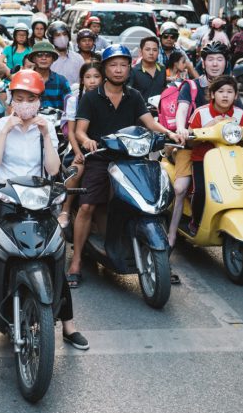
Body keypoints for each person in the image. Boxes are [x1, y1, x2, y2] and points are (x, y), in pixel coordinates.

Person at [0, 69, 89, 354]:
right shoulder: (0, 124)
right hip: (5, 202)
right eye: (19, 97)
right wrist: (6, 129)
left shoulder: (46, 127)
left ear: (39, 100)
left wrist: (43, 133)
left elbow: (53, 170)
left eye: (31, 98)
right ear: (11, 99)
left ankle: (69, 326)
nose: (25, 103)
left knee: (55, 261)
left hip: (39, 204)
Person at [67, 45, 183, 287]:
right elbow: (79, 130)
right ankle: (76, 261)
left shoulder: (134, 96)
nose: (118, 70)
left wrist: (170, 133)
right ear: (105, 68)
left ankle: (159, 256)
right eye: (113, 65)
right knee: (87, 205)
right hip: (100, 157)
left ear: (129, 68)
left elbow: (151, 124)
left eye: (123, 65)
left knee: (154, 203)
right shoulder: (91, 97)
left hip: (132, 159)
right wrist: (87, 140)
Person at [166, 42, 243, 254]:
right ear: (203, 62)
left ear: (226, 62)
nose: (215, 64)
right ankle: (172, 233)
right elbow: (182, 110)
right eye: (210, 59)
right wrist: (182, 129)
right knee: (181, 188)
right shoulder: (192, 86)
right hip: (194, 144)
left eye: (220, 59)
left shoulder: (230, 87)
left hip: (225, 148)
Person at [186, 75, 243, 233]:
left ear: (235, 95)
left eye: (229, 91)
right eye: (221, 91)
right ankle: (196, 220)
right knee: (202, 191)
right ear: (212, 94)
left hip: (230, 159)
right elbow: (190, 140)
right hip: (204, 159)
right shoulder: (201, 113)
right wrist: (211, 126)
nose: (225, 95)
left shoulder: (239, 114)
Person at [59, 62, 104, 228]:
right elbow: (72, 132)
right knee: (77, 170)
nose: (92, 81)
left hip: (102, 147)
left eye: (96, 77)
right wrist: (78, 152)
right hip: (79, 146)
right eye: (88, 77)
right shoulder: (74, 100)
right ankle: (65, 209)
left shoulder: (107, 96)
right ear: (82, 80)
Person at [26, 41, 70, 110]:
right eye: (40, 55)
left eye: (48, 55)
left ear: (53, 59)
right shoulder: (25, 80)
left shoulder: (61, 81)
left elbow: (69, 107)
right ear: (34, 59)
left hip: (56, 119)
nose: (44, 58)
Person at [129, 36, 167, 102]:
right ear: (141, 52)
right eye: (147, 49)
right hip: (140, 111)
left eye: (155, 50)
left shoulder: (162, 69)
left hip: (159, 110)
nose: (151, 53)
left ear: (158, 52)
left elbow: (163, 90)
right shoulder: (133, 71)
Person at [47, 21, 84, 86]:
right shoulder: (48, 59)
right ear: (51, 39)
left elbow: (83, 79)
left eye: (64, 34)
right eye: (57, 35)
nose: (62, 38)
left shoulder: (78, 59)